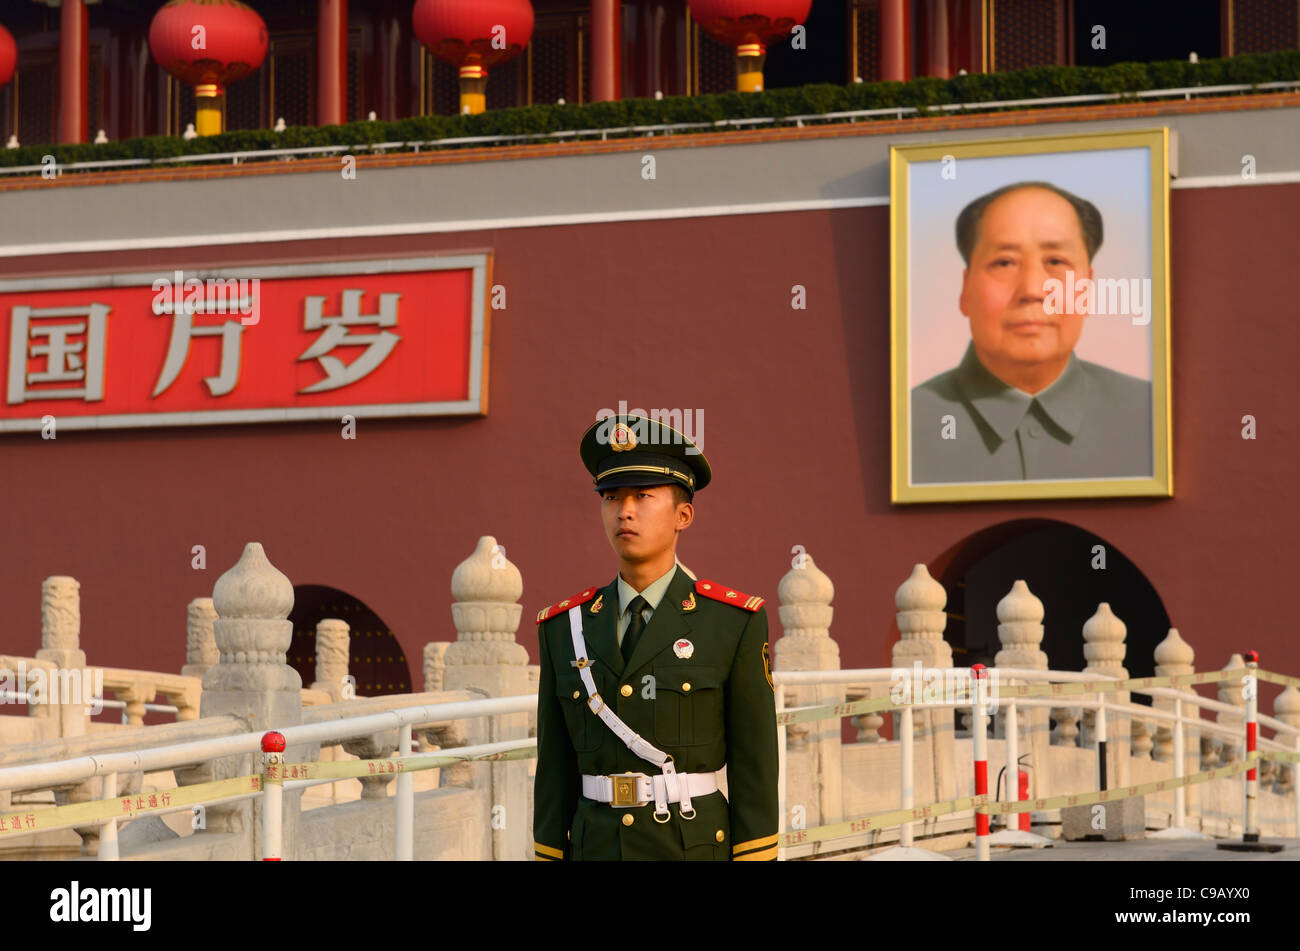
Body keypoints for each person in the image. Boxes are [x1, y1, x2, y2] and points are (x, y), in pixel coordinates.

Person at [532, 413, 778, 861]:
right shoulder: (565, 626)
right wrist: (548, 852)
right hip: (596, 847)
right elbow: (554, 766)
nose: (624, 510)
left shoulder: (732, 621)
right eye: (611, 497)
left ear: (683, 514)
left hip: (690, 845)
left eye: (643, 496)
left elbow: (755, 763)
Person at [910, 181, 1153, 484]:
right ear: (965, 291)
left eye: (1055, 262)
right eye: (1004, 263)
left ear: (1088, 290)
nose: (1033, 290)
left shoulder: (1152, 416)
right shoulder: (904, 426)